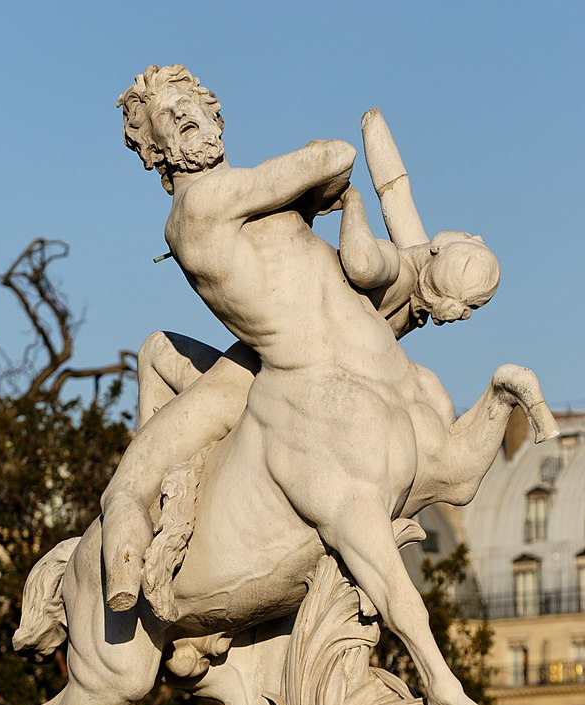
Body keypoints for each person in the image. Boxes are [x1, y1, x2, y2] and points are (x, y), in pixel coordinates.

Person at [102, 64, 498, 617]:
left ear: (215, 114)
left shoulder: (244, 201)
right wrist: (318, 195)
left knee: (155, 352)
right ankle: (128, 566)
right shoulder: (202, 204)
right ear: (157, 148)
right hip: (264, 367)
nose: (191, 119)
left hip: (259, 364)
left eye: (195, 105)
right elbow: (335, 156)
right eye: (172, 117)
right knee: (130, 478)